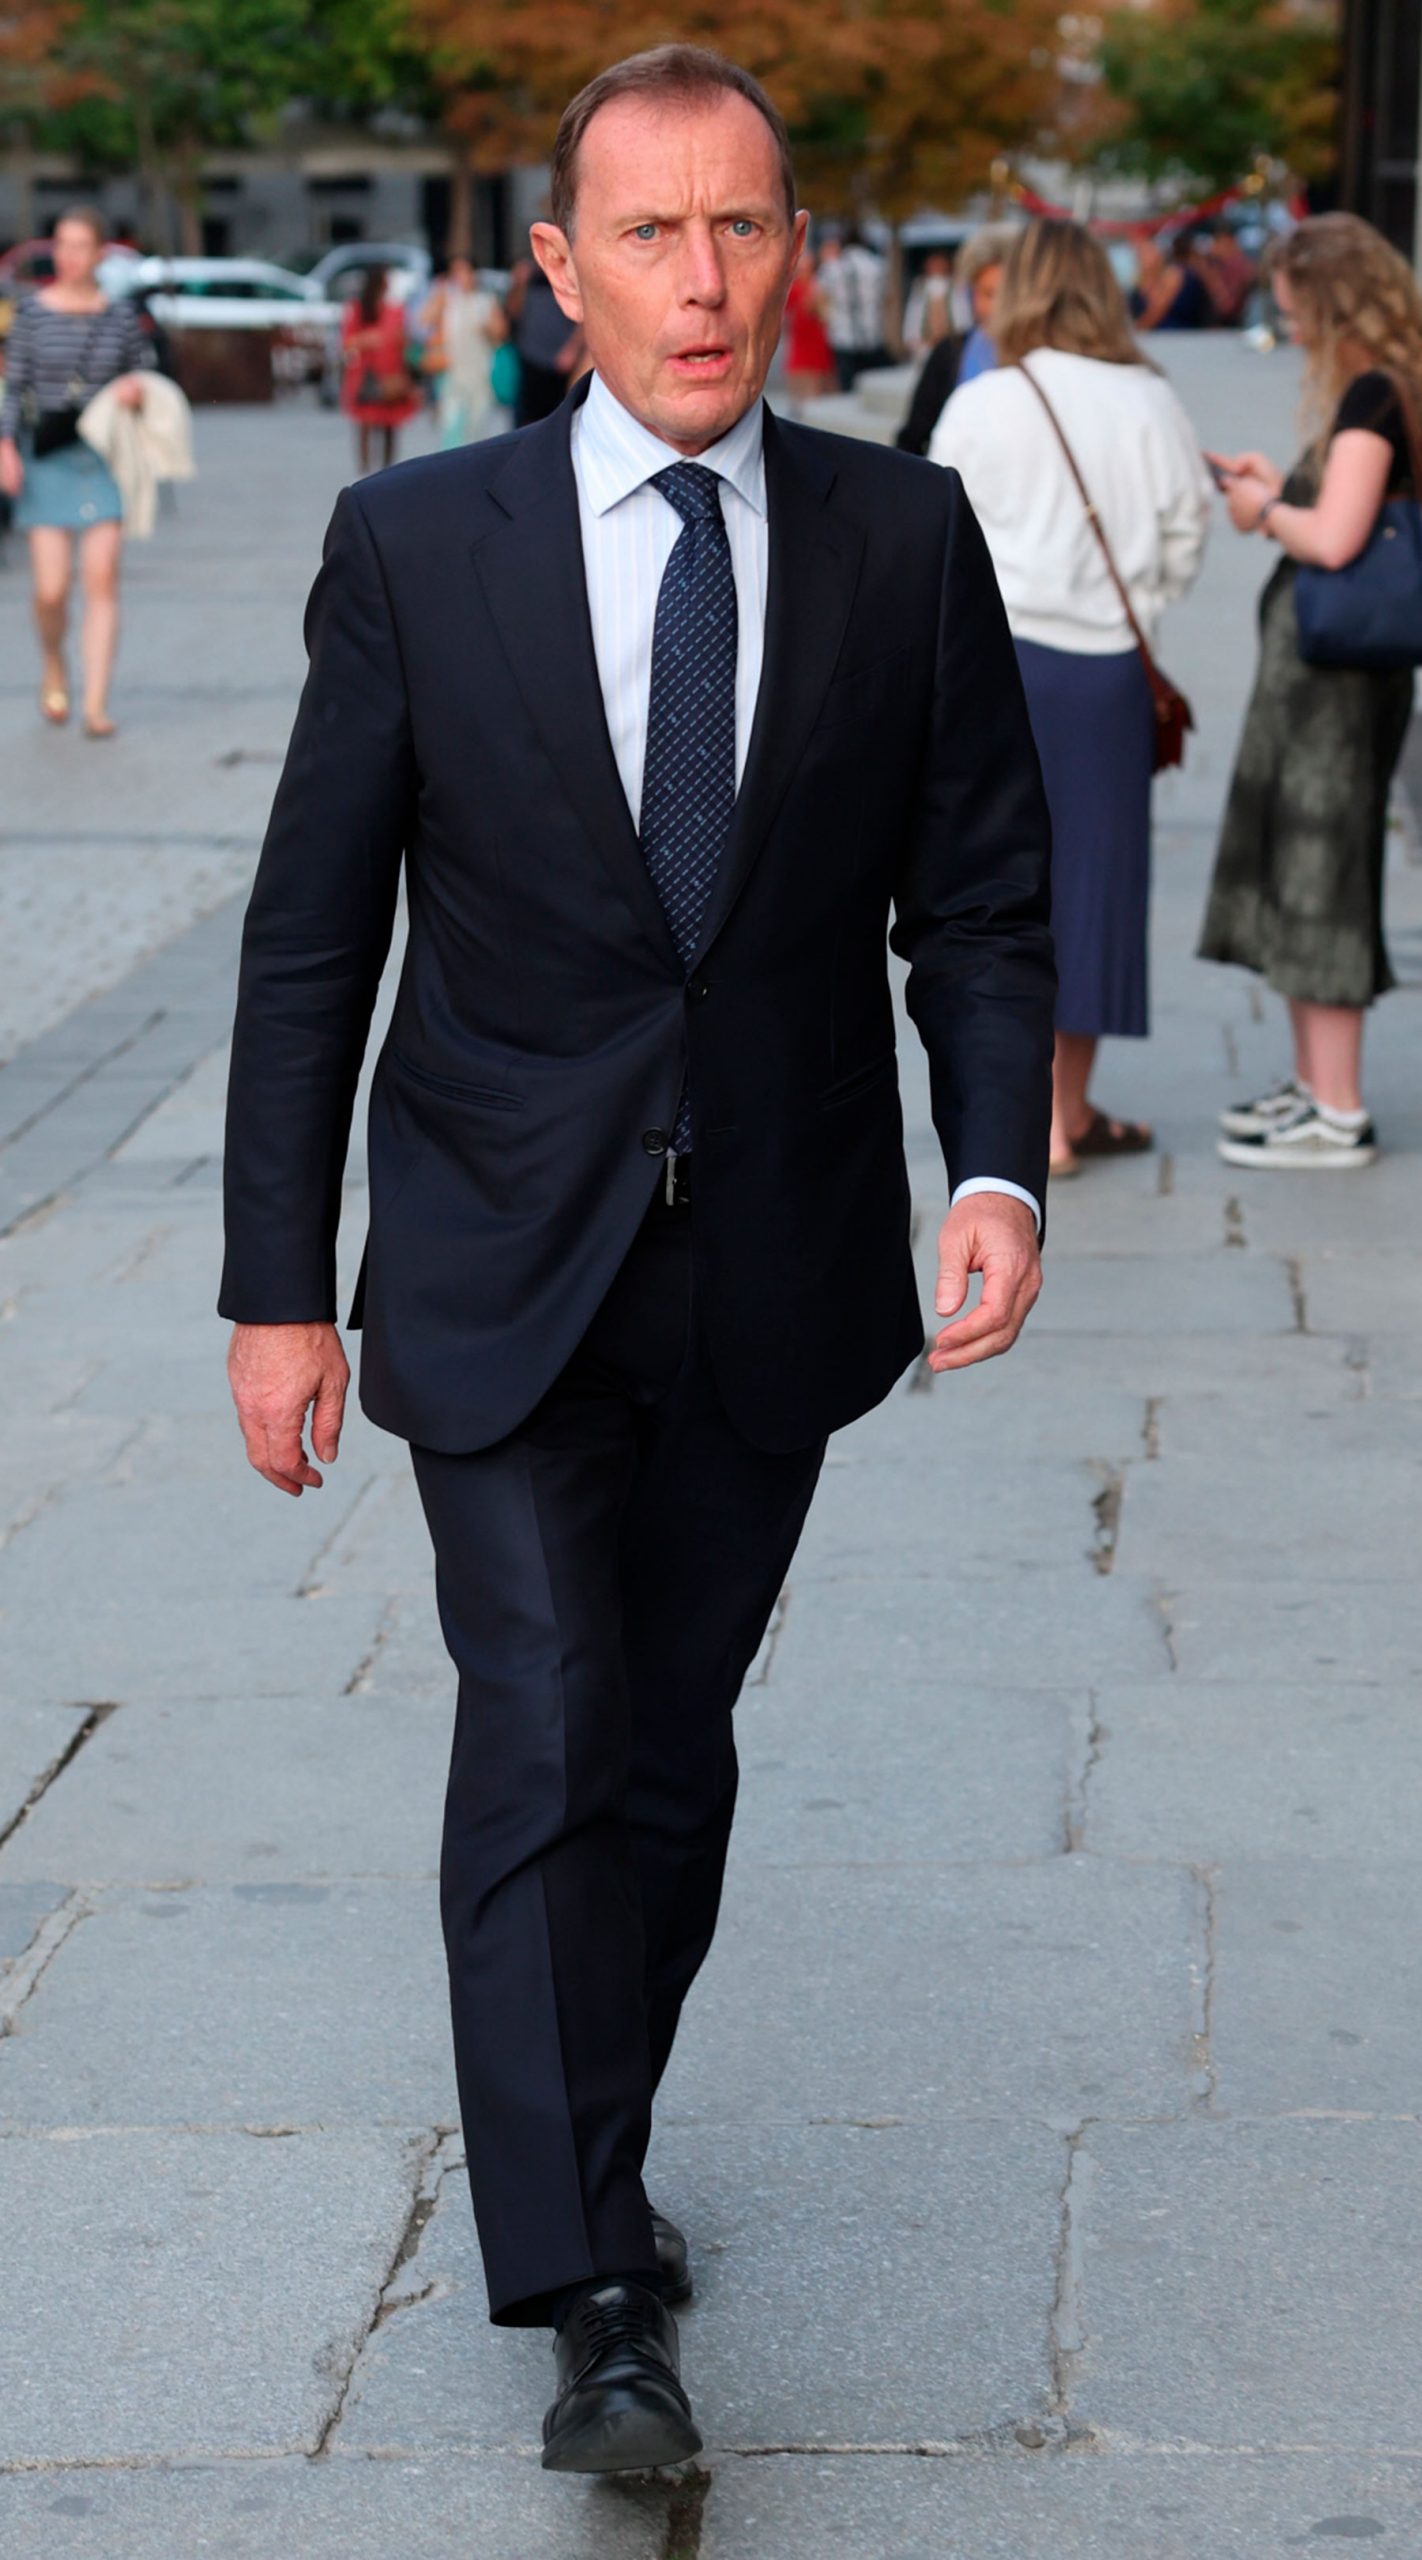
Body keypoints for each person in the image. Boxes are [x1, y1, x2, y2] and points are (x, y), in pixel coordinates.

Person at [221, 43, 1054, 2476]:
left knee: (672, 1753)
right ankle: (592, 2285)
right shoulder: (418, 540)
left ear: (795, 253)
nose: (703, 279)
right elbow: (310, 937)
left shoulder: (902, 537)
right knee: (552, 1717)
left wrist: (993, 1166)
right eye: (651, 232)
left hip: (775, 1256)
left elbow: (983, 896)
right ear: (557, 270)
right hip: (495, 1249)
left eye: (743, 226)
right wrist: (278, 1281)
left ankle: (597, 2129)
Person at [932, 219, 1210, 1175]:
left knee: (996, 888)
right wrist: (1143, 601)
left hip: (999, 662)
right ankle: (1069, 1112)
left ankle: (1020, 1120)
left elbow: (940, 534)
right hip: (1106, 673)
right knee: (1094, 888)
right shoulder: (1150, 399)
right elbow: (1186, 531)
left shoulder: (984, 399)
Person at [1200, 213, 1422, 1170]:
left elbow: (1334, 539)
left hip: (1333, 688)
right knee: (1298, 868)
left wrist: (1263, 510)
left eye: (1296, 312)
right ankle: (1312, 1086)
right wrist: (1278, 484)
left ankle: (1336, 1107)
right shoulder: (1390, 387)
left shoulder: (1374, 394)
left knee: (1320, 874)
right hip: (1328, 683)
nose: (1290, 330)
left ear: (1336, 307)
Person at [0, 205, 150, 737]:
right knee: (51, 589)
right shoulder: (32, 314)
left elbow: (143, 372)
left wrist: (134, 391)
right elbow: (14, 387)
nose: (68, 256)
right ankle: (54, 665)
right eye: (61, 244)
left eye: (80, 246)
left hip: (104, 459)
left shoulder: (120, 317)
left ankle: (95, 704)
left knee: (101, 577)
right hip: (47, 457)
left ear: (100, 254)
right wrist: (5, 447)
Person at [896, 224, 1014, 457]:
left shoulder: (1044, 358)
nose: (998, 306)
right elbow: (913, 438)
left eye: (1008, 293)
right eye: (988, 294)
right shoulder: (949, 353)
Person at [339, 266, 420, 475]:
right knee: (365, 422)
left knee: (389, 424)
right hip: (366, 374)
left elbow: (405, 340)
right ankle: (365, 469)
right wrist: (368, 339)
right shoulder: (358, 309)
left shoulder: (396, 310)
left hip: (390, 374)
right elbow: (347, 341)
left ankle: (387, 469)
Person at [433, 255, 504, 448]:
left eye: (464, 271)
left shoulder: (485, 301)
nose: (460, 276)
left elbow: (500, 334)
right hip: (451, 373)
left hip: (480, 373)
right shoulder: (447, 300)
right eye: (455, 272)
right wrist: (439, 294)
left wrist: (486, 329)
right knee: (451, 426)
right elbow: (424, 321)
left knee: (476, 428)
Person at [507, 246, 581, 425]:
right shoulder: (531, 276)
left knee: (557, 421)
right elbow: (513, 312)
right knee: (525, 424)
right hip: (529, 361)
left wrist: (571, 349)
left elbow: (587, 317)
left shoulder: (570, 274)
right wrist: (519, 284)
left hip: (558, 364)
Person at [818, 224, 889, 390]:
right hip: (872, 335)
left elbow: (818, 300)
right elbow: (886, 300)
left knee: (848, 388)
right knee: (871, 387)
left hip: (843, 336)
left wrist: (830, 318)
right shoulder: (877, 265)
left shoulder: (832, 268)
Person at [780, 244, 835, 406]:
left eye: (807, 265)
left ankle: (815, 402)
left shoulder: (819, 283)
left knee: (818, 373)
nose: (804, 268)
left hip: (816, 334)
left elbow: (826, 310)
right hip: (801, 335)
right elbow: (784, 311)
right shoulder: (793, 287)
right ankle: (800, 402)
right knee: (799, 370)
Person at [1131, 231, 1211, 332]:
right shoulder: (1140, 285)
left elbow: (1155, 313)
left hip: (1183, 335)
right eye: (1139, 253)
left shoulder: (1175, 274)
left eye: (1145, 252)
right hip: (1156, 337)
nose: (1140, 257)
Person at [901, 247, 954, 357]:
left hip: (950, 344)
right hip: (925, 345)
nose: (936, 266)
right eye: (933, 262)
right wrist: (913, 339)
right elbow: (913, 316)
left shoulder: (955, 286)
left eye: (939, 262)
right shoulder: (920, 287)